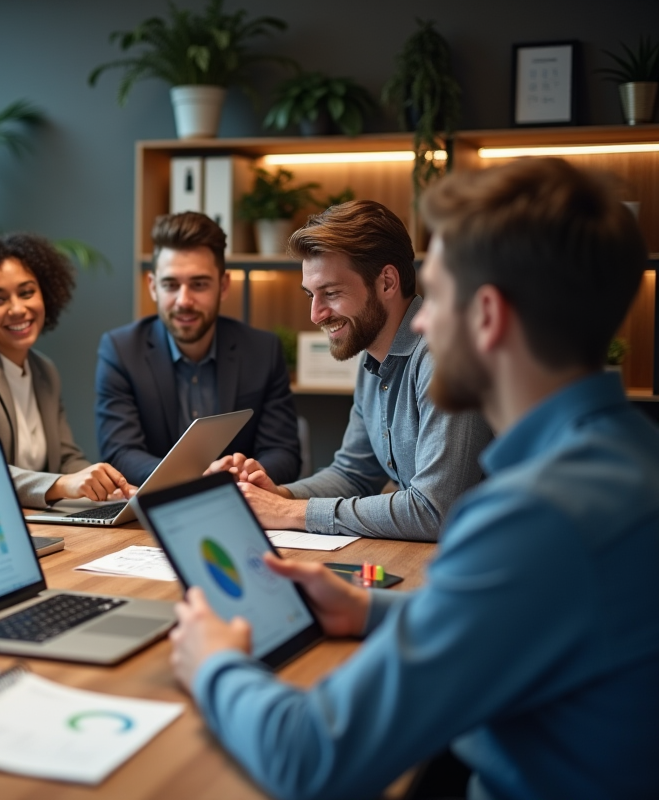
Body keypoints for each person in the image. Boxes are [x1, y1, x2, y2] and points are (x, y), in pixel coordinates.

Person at [170, 158, 659, 799]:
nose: (422, 322)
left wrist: (214, 664)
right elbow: (520, 611)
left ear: (487, 315)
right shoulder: (629, 457)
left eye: (440, 294)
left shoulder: (533, 518)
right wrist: (370, 609)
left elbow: (309, 756)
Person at [211, 200, 492, 541]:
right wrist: (278, 496)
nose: (316, 314)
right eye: (310, 295)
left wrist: (288, 512)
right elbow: (354, 473)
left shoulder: (443, 356)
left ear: (387, 282)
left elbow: (435, 511)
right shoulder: (371, 356)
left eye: (330, 293)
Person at [0, 233, 132, 508]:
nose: (18, 309)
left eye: (27, 292)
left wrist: (107, 487)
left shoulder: (44, 370)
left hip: (33, 519)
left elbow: (67, 459)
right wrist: (63, 485)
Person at [96, 211, 301, 487]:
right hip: (157, 509)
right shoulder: (121, 350)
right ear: (153, 287)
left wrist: (242, 475)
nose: (184, 300)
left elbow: (284, 452)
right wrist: (198, 482)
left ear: (223, 285)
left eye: (199, 284)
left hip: (242, 504)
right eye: (170, 285)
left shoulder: (262, 351)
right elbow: (120, 452)